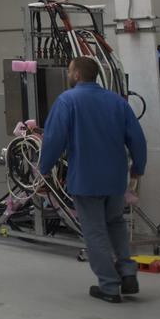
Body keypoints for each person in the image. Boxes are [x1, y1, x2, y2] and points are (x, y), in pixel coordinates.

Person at [39, 56, 148, 303]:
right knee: (116, 223)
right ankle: (128, 273)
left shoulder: (67, 101)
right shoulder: (117, 102)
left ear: (77, 74)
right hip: (114, 179)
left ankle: (109, 286)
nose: (68, 74)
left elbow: (54, 138)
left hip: (86, 179)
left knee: (95, 231)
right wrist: (137, 168)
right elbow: (138, 139)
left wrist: (44, 168)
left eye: (69, 70)